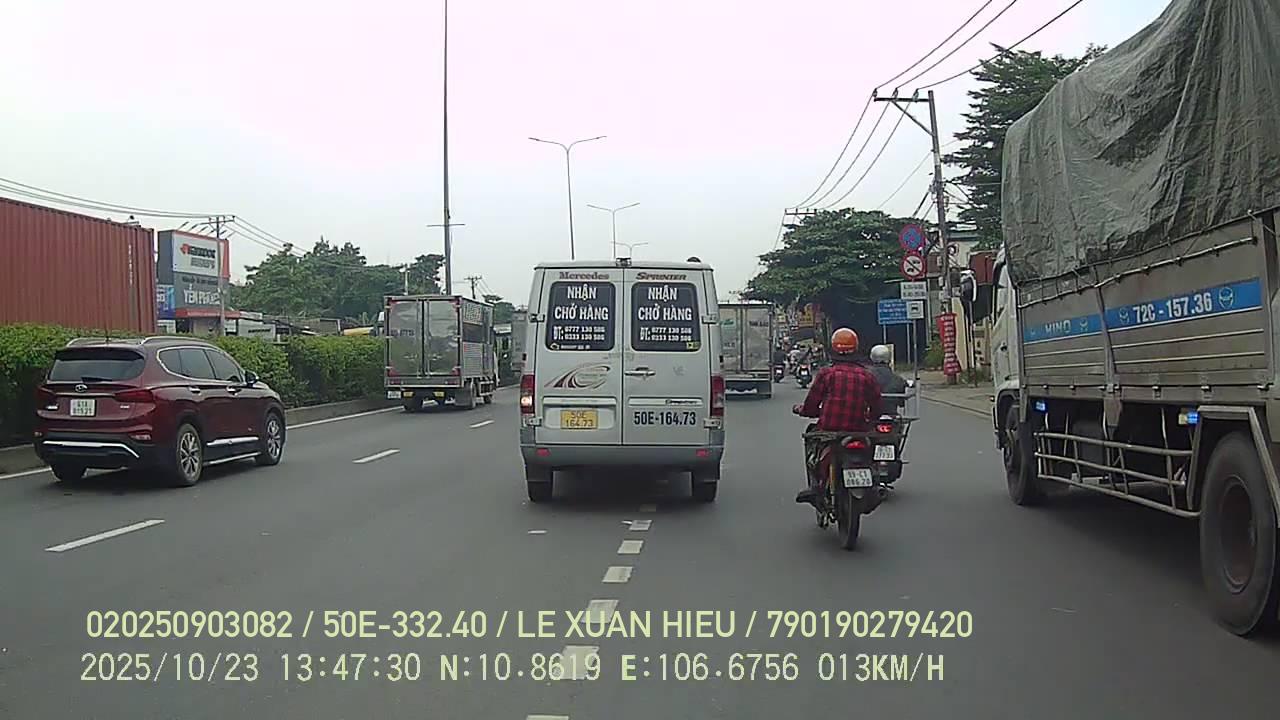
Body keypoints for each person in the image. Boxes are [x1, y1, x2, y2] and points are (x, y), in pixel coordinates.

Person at [792, 328, 882, 506]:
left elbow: (812, 403)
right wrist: (870, 418)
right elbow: (877, 405)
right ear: (856, 348)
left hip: (830, 428)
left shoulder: (827, 374)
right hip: (858, 429)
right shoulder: (866, 375)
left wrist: (803, 410)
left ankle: (817, 486)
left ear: (833, 348)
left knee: (812, 443)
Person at [867, 344, 908, 416]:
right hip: (891, 414)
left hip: (872, 415)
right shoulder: (898, 379)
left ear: (872, 357)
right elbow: (901, 403)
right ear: (889, 359)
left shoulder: (866, 376)